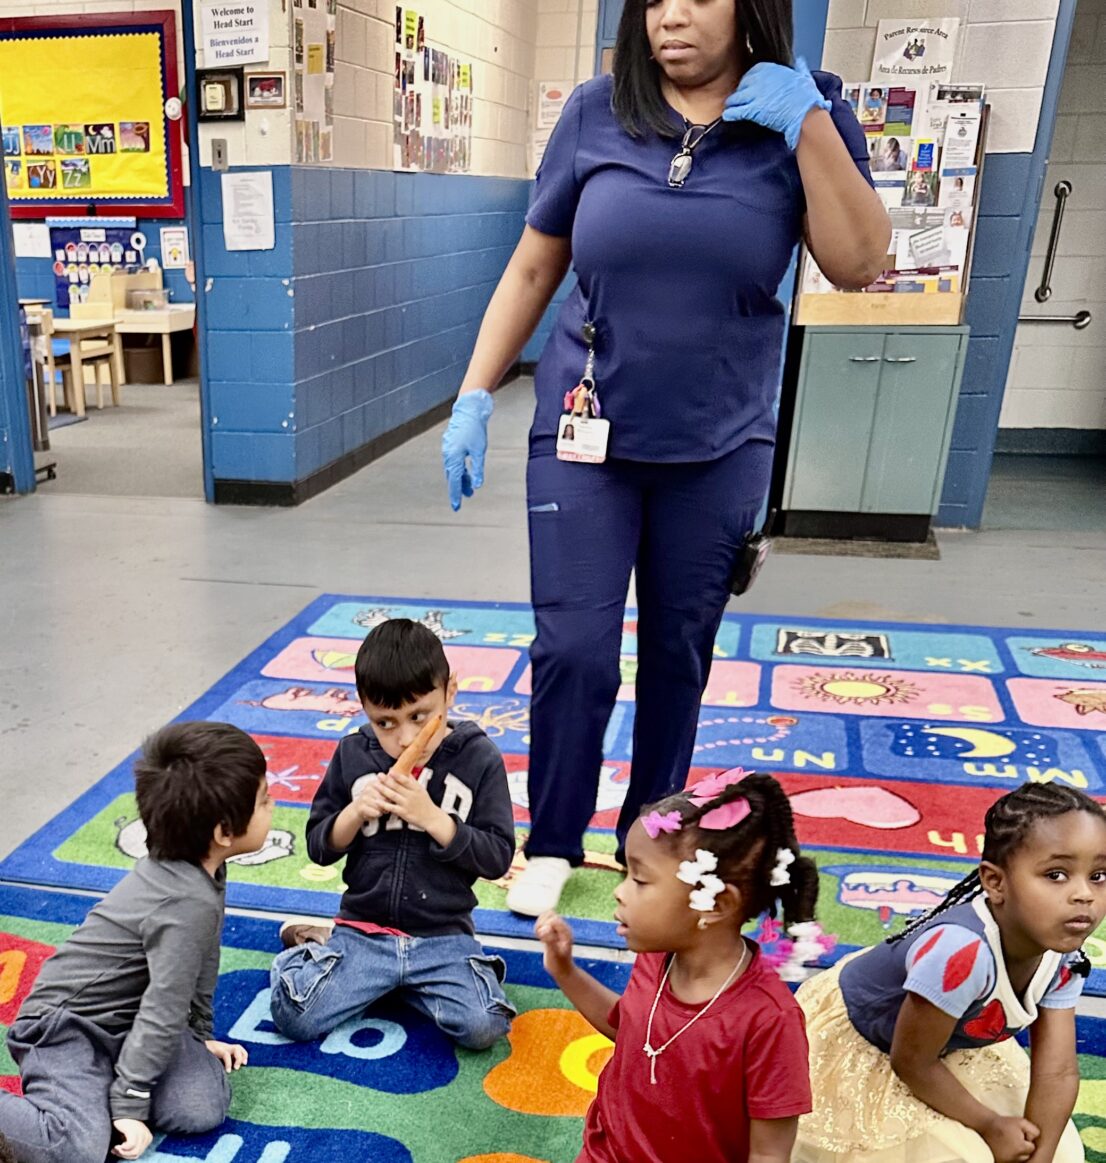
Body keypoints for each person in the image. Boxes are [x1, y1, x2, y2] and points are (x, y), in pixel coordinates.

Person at [440, 0, 891, 916]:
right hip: (586, 430)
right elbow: (534, 265)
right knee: (575, 647)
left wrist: (807, 122)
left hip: (720, 445)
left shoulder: (803, 115)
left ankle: (652, 835)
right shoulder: (595, 112)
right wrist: (474, 391)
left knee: (679, 652)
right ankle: (555, 838)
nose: (669, 16)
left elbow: (858, 261)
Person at [0, 722, 271, 1163]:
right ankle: (97, 1092)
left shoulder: (201, 872)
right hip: (66, 1027)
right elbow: (165, 1004)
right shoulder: (184, 899)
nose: (273, 808)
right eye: (265, 801)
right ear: (224, 832)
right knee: (76, 1150)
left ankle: (107, 1082)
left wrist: (199, 1036)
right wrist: (128, 1103)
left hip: (131, 1021)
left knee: (201, 1106)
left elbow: (198, 965)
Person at [793, 783, 1106, 1163]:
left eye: (1099, 875)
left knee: (1060, 1153)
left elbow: (1056, 1073)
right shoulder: (959, 953)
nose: (1084, 895)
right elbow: (910, 1061)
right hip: (874, 1045)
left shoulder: (1065, 956)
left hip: (945, 1040)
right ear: (995, 882)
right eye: (1056, 874)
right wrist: (990, 1125)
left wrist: (1038, 1157)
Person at [537, 770, 824, 1163]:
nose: (619, 892)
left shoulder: (768, 1021)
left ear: (715, 906)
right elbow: (631, 1029)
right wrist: (564, 970)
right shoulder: (656, 955)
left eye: (639, 879)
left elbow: (769, 1153)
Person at [270, 618, 517, 1050]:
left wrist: (435, 820)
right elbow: (317, 846)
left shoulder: (480, 759)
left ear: (450, 693)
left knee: (484, 1027)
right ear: (364, 709)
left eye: (420, 717)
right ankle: (310, 946)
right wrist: (352, 814)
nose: (405, 739)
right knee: (295, 1016)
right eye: (385, 723)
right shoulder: (353, 754)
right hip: (363, 933)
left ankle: (388, 984)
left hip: (443, 938)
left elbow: (497, 856)